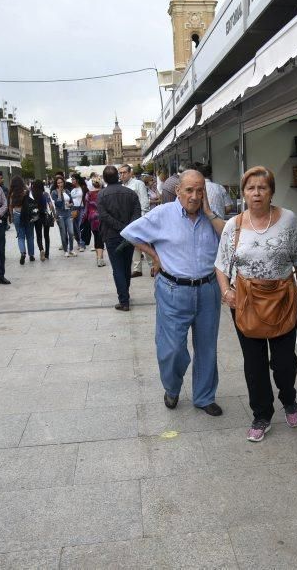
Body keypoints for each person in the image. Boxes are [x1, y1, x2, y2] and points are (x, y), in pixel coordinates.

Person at [120, 169, 226, 415]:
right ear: (178, 191)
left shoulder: (211, 217)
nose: (195, 196)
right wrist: (155, 255)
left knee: (207, 347)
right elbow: (129, 233)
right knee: (172, 349)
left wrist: (210, 214)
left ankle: (204, 396)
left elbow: (231, 239)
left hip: (208, 289)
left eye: (200, 190)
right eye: (189, 190)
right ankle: (172, 387)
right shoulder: (162, 214)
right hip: (173, 289)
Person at [214, 166, 297, 442]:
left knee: (284, 362)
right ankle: (262, 414)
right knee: (254, 363)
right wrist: (226, 291)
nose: (256, 193)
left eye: (262, 187)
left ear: (271, 191)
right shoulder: (234, 225)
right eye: (251, 188)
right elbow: (221, 265)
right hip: (246, 301)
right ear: (243, 193)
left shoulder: (288, 220)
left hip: (282, 299)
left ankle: (289, 399)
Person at [98, 166, 141, 311]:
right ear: (118, 176)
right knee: (126, 266)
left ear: (104, 179)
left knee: (117, 268)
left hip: (111, 236)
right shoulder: (131, 194)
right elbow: (137, 214)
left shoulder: (102, 195)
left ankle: (124, 300)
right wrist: (127, 228)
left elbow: (104, 216)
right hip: (128, 236)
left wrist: (120, 227)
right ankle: (125, 295)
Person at [119, 164, 149, 277]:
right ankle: (137, 268)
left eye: (124, 172)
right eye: (120, 173)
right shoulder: (122, 186)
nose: (122, 175)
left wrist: (143, 217)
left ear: (130, 173)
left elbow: (144, 201)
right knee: (133, 242)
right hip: (128, 219)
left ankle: (152, 265)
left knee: (145, 242)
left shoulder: (138, 184)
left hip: (140, 217)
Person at [8, 175, 36, 265]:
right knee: (30, 236)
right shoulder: (26, 191)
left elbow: (10, 206)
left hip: (17, 215)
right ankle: (31, 255)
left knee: (20, 236)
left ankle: (23, 253)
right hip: (28, 215)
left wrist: (11, 216)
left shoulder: (12, 193)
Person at [84, 175, 106, 267]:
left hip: (92, 218)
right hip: (102, 217)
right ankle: (100, 259)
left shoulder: (88, 194)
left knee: (96, 236)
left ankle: (98, 257)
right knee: (100, 238)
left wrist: (84, 219)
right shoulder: (104, 193)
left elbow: (86, 208)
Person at [51, 176, 75, 257]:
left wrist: (70, 204)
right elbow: (58, 204)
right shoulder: (54, 192)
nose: (60, 184)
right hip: (60, 215)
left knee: (71, 233)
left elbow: (72, 202)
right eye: (58, 183)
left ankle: (71, 249)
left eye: (61, 182)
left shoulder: (67, 191)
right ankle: (65, 250)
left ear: (63, 183)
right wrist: (59, 193)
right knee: (63, 234)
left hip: (68, 214)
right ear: (56, 184)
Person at [31, 179, 55, 262]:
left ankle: (41, 249)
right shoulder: (45, 194)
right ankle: (47, 253)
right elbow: (51, 206)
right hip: (45, 215)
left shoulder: (32, 195)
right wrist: (53, 214)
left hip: (36, 216)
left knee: (39, 235)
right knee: (46, 235)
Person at [71, 174, 88, 252]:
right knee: (75, 227)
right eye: (72, 179)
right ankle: (78, 242)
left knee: (80, 226)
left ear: (77, 179)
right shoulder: (72, 189)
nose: (72, 181)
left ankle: (82, 244)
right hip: (74, 209)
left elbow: (87, 198)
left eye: (73, 179)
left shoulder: (83, 188)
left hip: (82, 208)